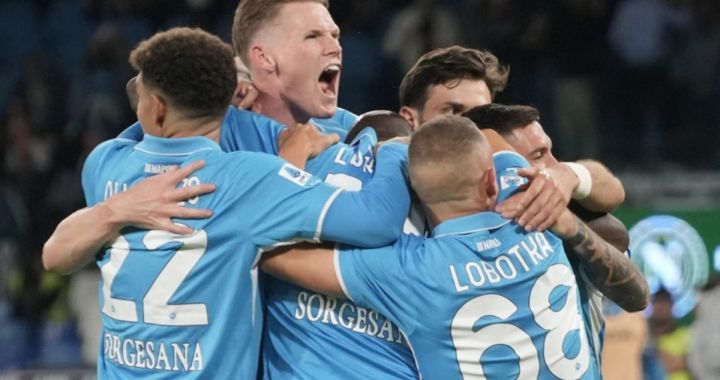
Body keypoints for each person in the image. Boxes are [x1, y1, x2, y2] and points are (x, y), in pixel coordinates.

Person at [42, 27, 412, 378]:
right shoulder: (251, 178)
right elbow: (374, 221)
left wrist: (115, 208)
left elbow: (55, 257)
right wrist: (394, 149)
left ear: (155, 106)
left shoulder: (106, 163)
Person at [261, 115, 610, 379]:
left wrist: (288, 160)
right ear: (490, 180)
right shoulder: (535, 204)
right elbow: (488, 138)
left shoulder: (410, 272)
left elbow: (272, 251)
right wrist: (569, 175)